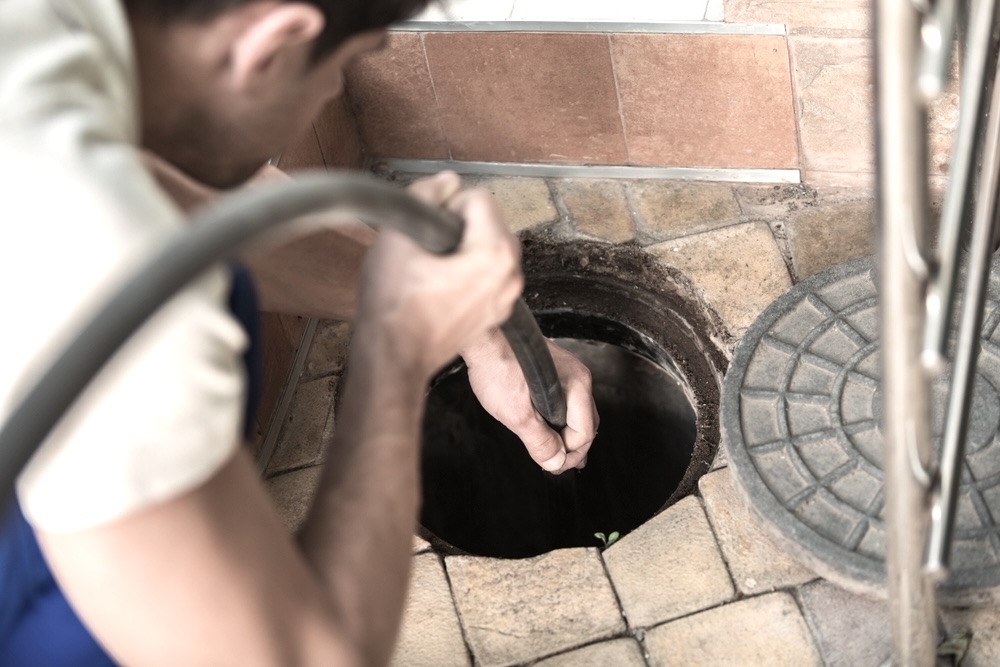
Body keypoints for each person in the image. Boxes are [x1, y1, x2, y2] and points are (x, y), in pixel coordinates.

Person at [0, 0, 599, 665]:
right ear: (273, 41)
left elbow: (194, 204)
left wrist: (475, 331)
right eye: (345, 65)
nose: (336, 90)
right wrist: (396, 352)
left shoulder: (56, 39)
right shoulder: (87, 245)